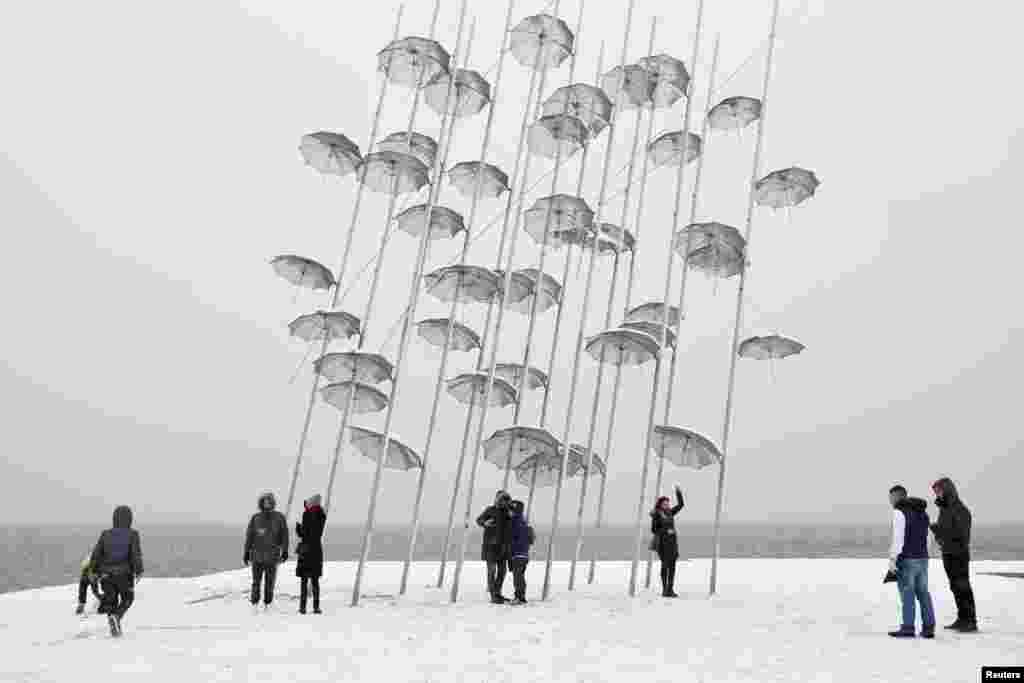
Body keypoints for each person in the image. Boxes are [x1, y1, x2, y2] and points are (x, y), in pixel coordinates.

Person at [886, 485, 936, 638]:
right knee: (923, 593)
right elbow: (928, 537)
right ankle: (929, 627)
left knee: (907, 594)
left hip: (907, 558)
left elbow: (898, 538)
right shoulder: (922, 512)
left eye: (891, 497)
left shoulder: (899, 512)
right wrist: (925, 553)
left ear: (897, 496)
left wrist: (893, 559)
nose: (890, 500)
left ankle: (908, 627)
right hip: (922, 558)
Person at [930, 477, 977, 632]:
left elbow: (962, 534)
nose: (937, 495)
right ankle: (962, 618)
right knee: (954, 586)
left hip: (959, 554)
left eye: (939, 491)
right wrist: (937, 533)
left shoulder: (959, 508)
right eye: (935, 492)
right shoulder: (944, 509)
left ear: (947, 490)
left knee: (963, 587)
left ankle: (970, 621)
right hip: (948, 552)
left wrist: (940, 531)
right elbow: (944, 531)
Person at [90, 505, 144, 637]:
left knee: (111, 601)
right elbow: (135, 554)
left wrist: (93, 571)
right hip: (124, 575)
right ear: (129, 519)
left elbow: (96, 554)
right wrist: (139, 570)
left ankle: (114, 626)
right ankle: (117, 618)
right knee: (128, 599)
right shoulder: (133, 534)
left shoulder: (105, 534)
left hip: (106, 576)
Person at [244, 491, 289, 609]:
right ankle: (254, 603)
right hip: (257, 555)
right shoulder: (256, 518)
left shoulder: (279, 517)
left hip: (272, 556)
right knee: (256, 582)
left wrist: (285, 550)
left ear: (272, 503)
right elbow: (250, 536)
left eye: (269, 501)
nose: (267, 504)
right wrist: (246, 552)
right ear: (261, 503)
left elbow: (284, 535)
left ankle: (267, 604)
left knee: (270, 582)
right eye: (265, 502)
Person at [476, 490, 512, 604]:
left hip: (503, 547)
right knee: (491, 571)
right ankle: (494, 595)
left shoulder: (508, 512)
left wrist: (512, 514)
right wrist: (485, 523)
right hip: (490, 546)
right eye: (501, 499)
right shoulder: (490, 510)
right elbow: (479, 520)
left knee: (502, 571)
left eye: (505, 499)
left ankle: (497, 593)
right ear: (497, 499)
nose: (503, 502)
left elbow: (517, 520)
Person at [650, 486, 684, 598]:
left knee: (673, 566)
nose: (667, 505)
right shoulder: (657, 514)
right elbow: (654, 529)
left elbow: (680, 505)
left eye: (668, 503)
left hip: (672, 543)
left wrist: (678, 493)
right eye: (665, 503)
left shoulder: (670, 512)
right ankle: (665, 590)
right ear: (660, 504)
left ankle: (670, 589)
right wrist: (666, 530)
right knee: (665, 566)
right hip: (663, 543)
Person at [295, 494, 327, 615]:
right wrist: (302, 531)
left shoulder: (308, 514)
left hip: (306, 549)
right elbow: (315, 533)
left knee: (305, 580)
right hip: (315, 550)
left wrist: (300, 530)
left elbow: (308, 533)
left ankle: (303, 607)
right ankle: (316, 607)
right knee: (314, 580)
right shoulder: (321, 515)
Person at [507, 499, 534, 605]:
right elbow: (531, 539)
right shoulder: (524, 522)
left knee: (518, 577)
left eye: (511, 510)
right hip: (524, 554)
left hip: (517, 553)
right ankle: (520, 596)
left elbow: (511, 538)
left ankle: (520, 597)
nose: (509, 512)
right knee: (520, 576)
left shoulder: (514, 522)